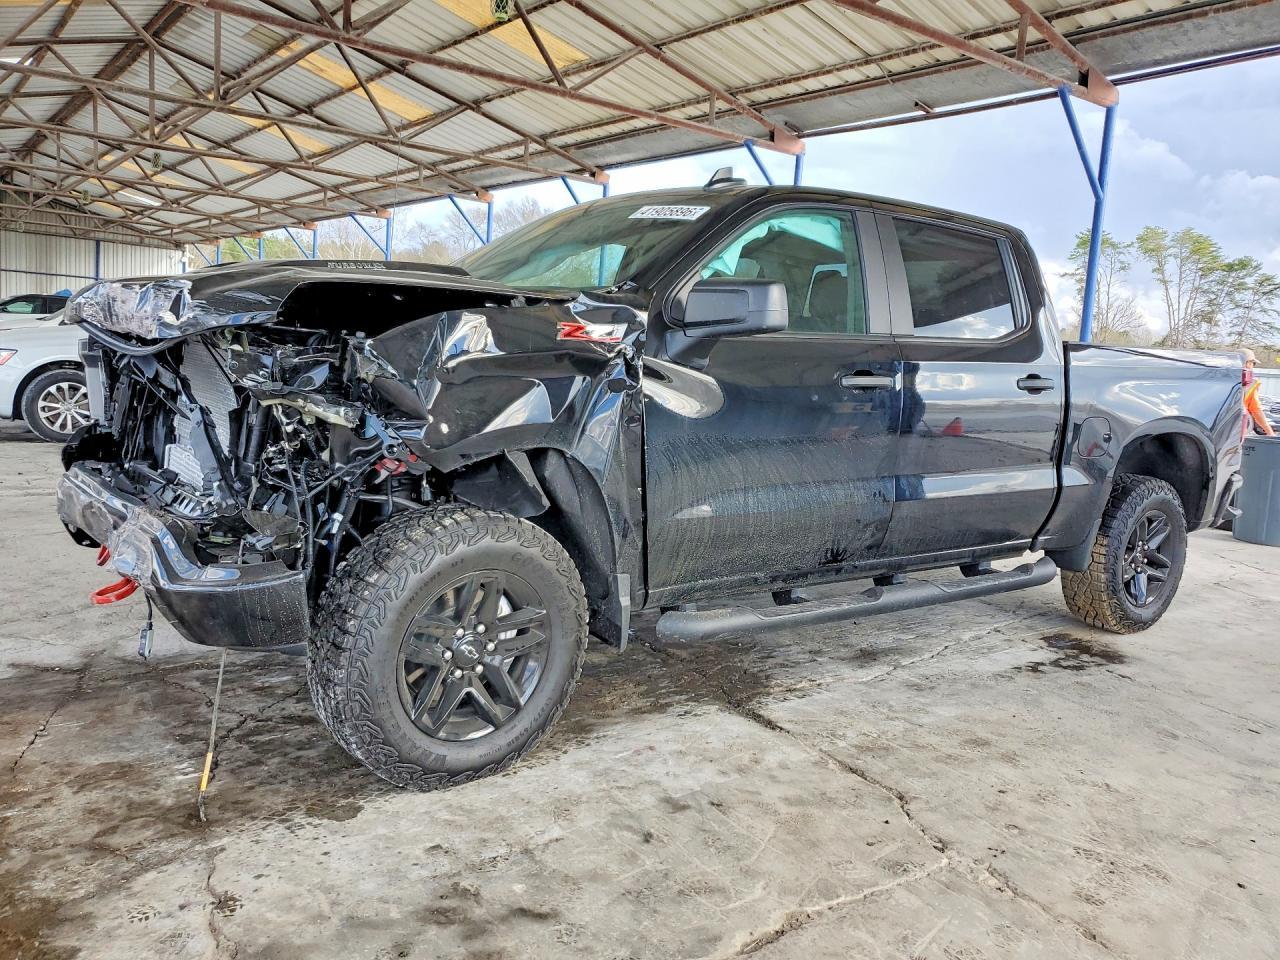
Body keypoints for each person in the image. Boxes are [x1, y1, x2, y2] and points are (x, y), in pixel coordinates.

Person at [1242, 348, 1276, 437]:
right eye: (1253, 363)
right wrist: (1270, 432)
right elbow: (1256, 410)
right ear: (1248, 363)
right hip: (1239, 427)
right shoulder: (1251, 383)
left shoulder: (1218, 377)